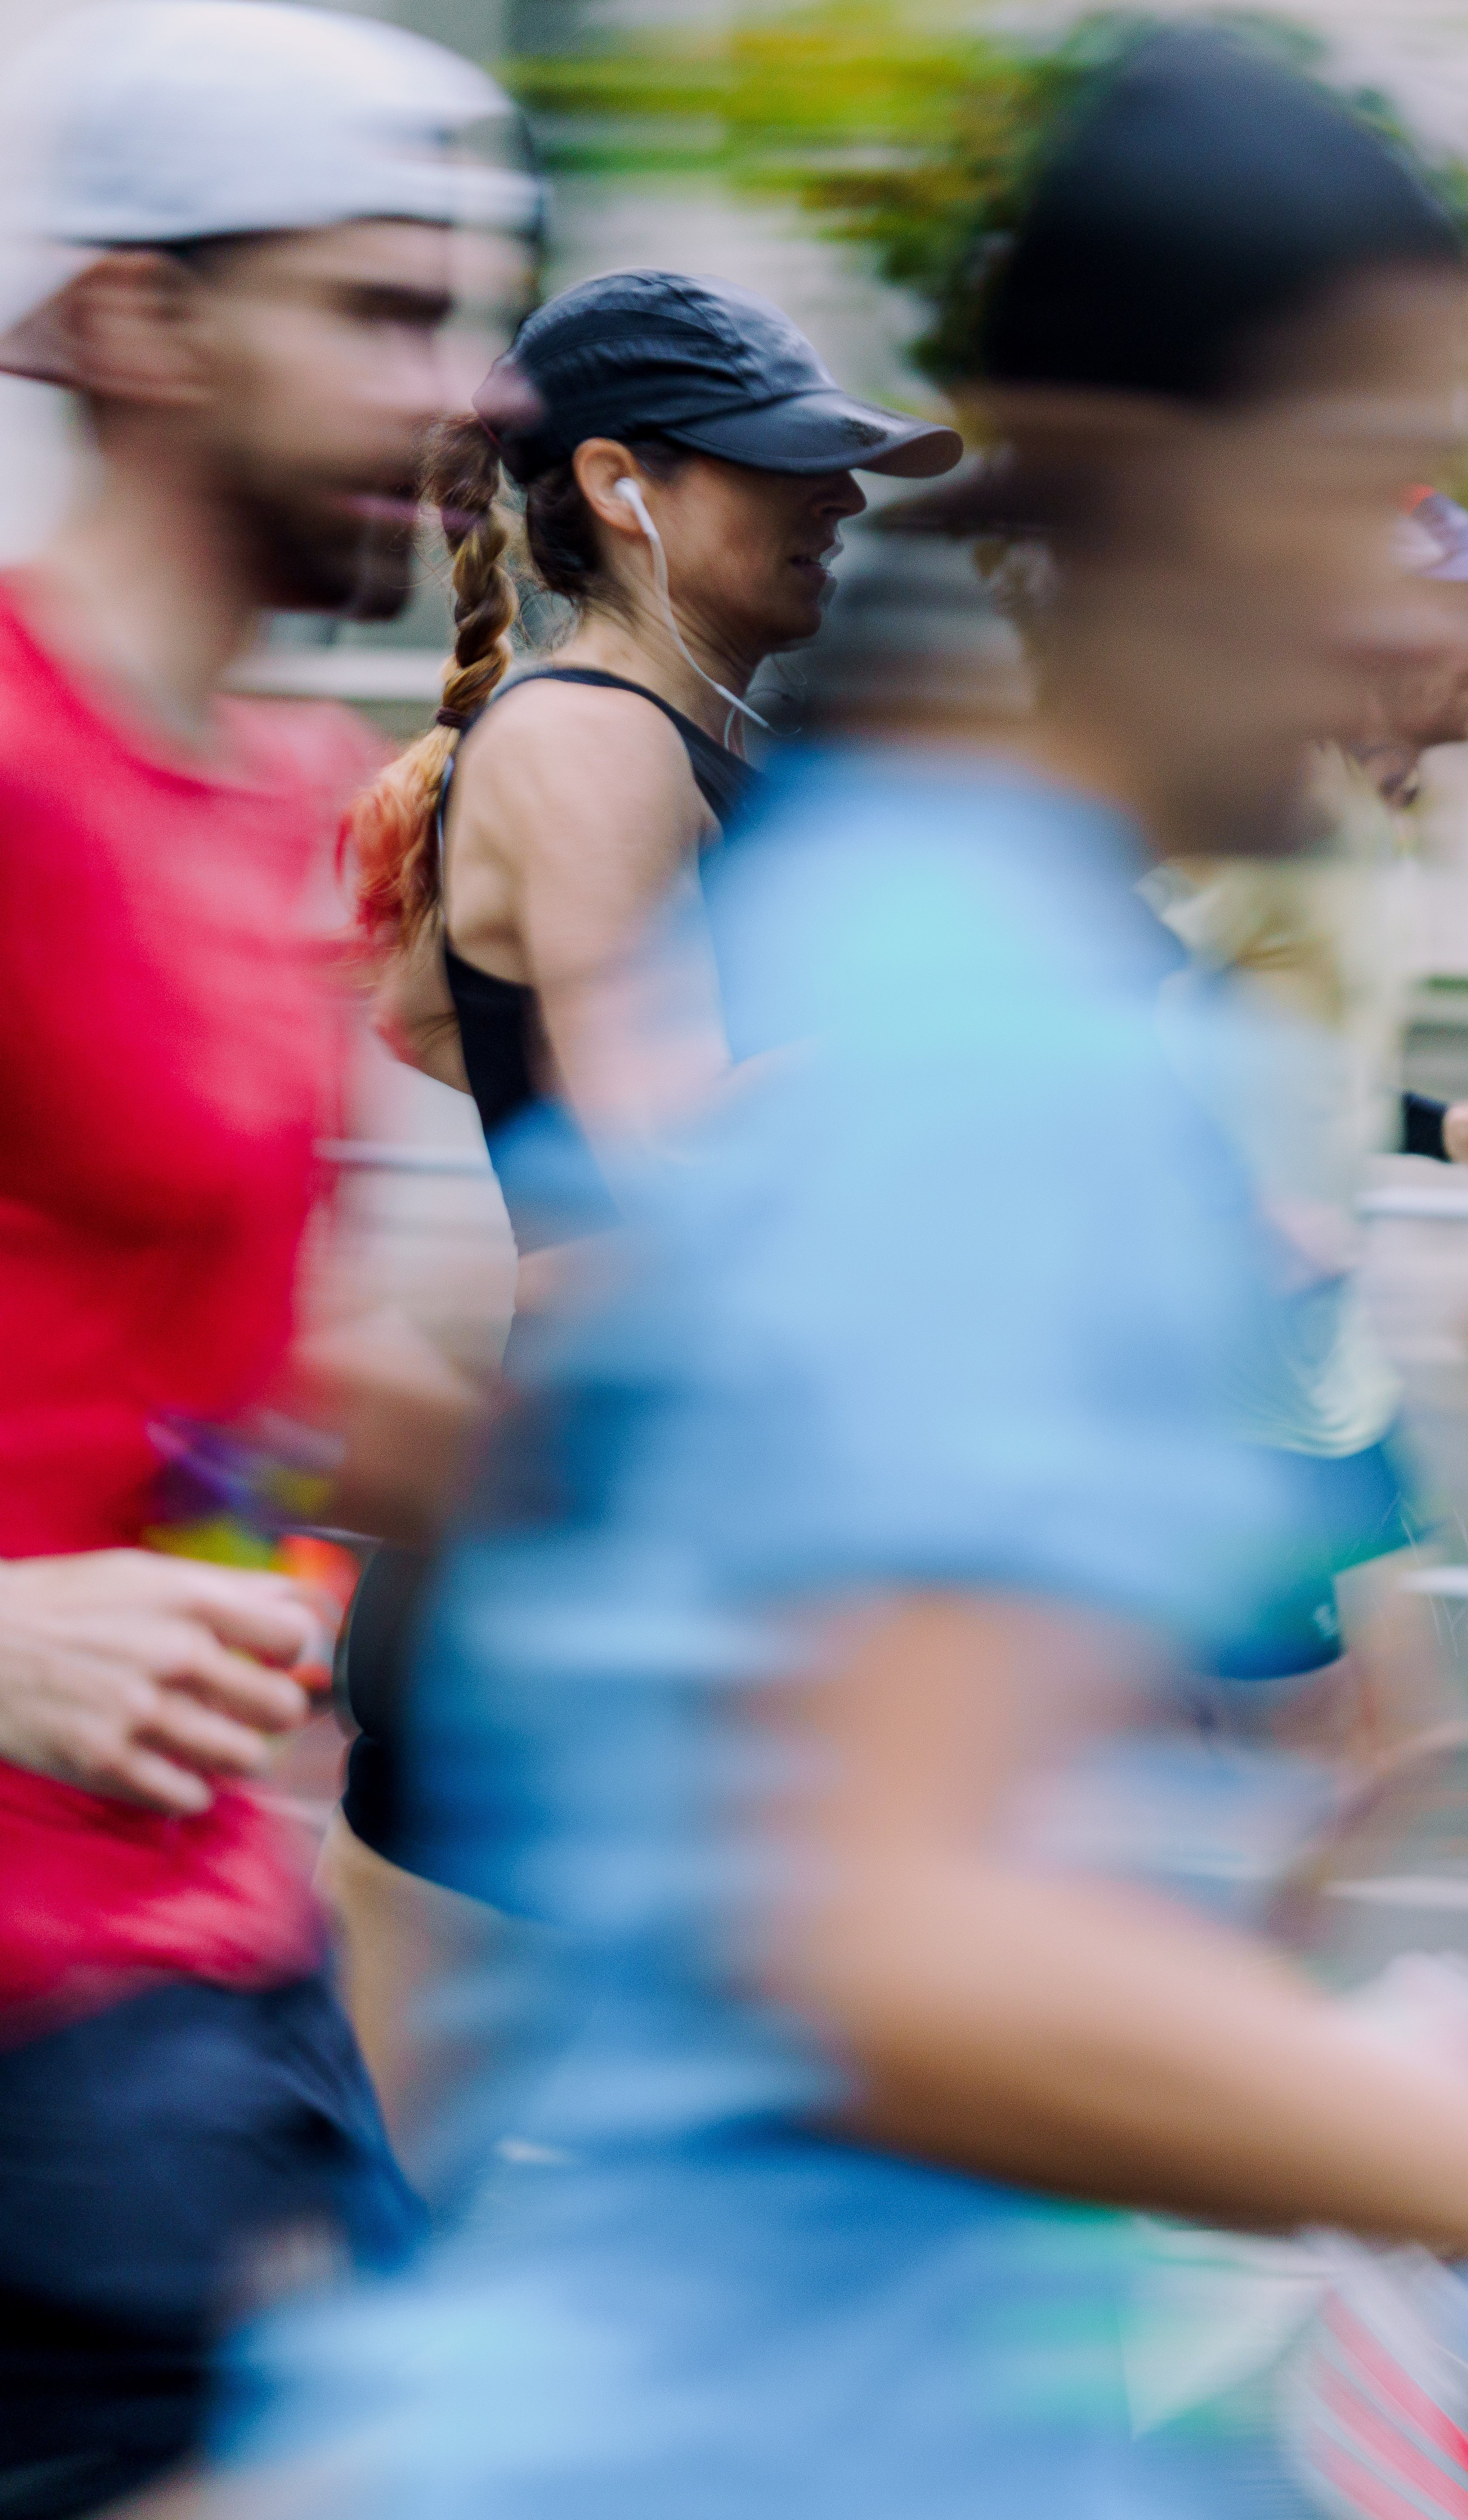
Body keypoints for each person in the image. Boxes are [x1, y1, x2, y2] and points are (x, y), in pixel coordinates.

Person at [206, 36, 1468, 2520]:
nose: (1410, 599)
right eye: (1362, 487)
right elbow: (890, 1956)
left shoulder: (946, 928)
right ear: (1145, 476)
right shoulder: (979, 1016)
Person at [0, 6, 537, 2505]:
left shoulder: (285, 797)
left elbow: (239, 1360)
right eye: (379, 313)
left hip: (217, 1927)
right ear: (141, 320)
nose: (466, 396)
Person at [325, 265, 962, 2149]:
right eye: (786, 464)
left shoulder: (652, 738)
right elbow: (674, 1158)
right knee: (381, 2193)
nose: (841, 501)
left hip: (659, 1529)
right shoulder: (592, 734)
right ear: (621, 486)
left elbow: (437, 1021)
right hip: (594, 1542)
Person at [1157, 484, 1468, 1940]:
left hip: (1325, 1382)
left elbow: (1294, 1068)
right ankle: (1189, 2050)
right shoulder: (1262, 802)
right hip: (1223, 1394)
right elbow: (1087, 1002)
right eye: (1461, 608)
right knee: (1281, 1789)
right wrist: (1225, 1208)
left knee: (1396, 1748)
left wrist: (1448, 1128)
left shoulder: (1358, 815)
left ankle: (1203, 2032)